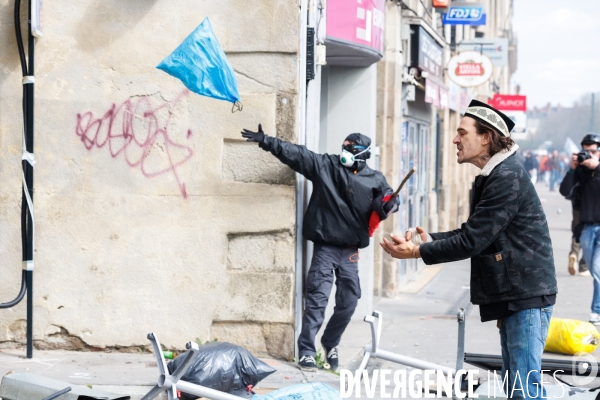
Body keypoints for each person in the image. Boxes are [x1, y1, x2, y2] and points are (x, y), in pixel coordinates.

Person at [381, 100, 557, 399]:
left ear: (486, 137)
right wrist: (430, 240)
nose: (455, 139)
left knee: (525, 392)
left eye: (462, 133)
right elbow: (473, 233)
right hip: (516, 297)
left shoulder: (506, 177)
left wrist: (416, 252)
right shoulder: (494, 176)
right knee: (517, 390)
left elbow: (472, 241)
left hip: (525, 298)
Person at [240, 124, 398, 371]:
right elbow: (298, 154)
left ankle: (330, 342)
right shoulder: (326, 166)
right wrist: (266, 141)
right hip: (326, 247)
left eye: (351, 148)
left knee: (349, 301)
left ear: (363, 154)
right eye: (344, 146)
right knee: (318, 299)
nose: (344, 151)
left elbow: (388, 200)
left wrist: (389, 204)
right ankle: (306, 350)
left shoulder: (375, 179)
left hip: (351, 251)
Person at [559, 133, 600, 324]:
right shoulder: (580, 172)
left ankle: (596, 311)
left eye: (593, 151)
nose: (589, 155)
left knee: (598, 269)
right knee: (593, 269)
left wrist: (597, 168)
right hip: (586, 228)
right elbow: (565, 191)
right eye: (586, 151)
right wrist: (572, 169)